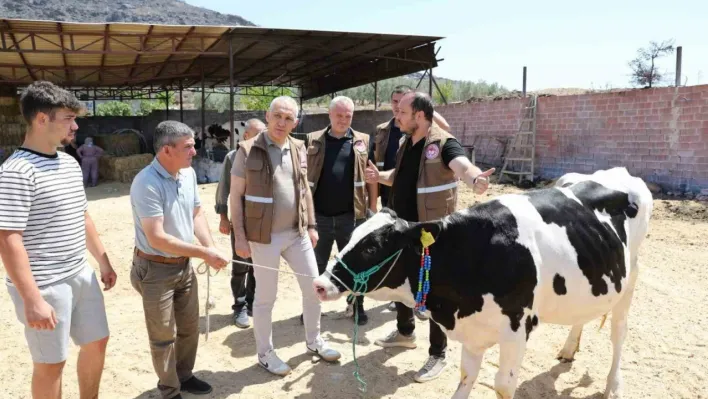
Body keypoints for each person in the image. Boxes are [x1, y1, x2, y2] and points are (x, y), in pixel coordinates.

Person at [365, 91, 494, 383]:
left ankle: (438, 353)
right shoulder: (404, 142)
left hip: (431, 234)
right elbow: (402, 175)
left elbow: (461, 164)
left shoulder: (444, 143)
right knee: (401, 282)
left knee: (433, 292)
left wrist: (475, 179)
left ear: (419, 116)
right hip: (403, 228)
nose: (396, 115)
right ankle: (405, 332)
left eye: (402, 112)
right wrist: (381, 177)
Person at [0, 81, 117, 399]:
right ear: (41, 119)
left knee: (97, 341)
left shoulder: (67, 162)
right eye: (68, 118)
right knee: (52, 364)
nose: (75, 125)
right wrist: (33, 299)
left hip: (80, 273)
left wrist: (102, 260)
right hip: (46, 283)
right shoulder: (16, 172)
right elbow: (9, 239)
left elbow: (82, 215)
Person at [230, 96, 341, 377]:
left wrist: (312, 226)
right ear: (267, 116)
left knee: (315, 289)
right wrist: (239, 238)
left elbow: (305, 191)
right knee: (266, 297)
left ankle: (314, 341)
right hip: (262, 236)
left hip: (296, 234)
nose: (282, 122)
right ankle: (265, 354)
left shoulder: (298, 148)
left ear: (296, 122)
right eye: (278, 116)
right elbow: (235, 197)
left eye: (289, 118)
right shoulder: (247, 150)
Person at [129, 120, 229, 399]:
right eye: (188, 147)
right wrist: (204, 253)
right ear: (166, 150)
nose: (194, 152)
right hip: (155, 269)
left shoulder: (187, 175)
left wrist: (210, 246)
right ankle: (170, 390)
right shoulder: (145, 183)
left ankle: (183, 377)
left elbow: (196, 213)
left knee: (188, 328)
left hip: (182, 264)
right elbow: (157, 238)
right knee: (162, 336)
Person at [374, 85, 451, 315]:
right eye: (395, 104)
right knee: (401, 268)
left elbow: (455, 154)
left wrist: (474, 176)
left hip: (425, 214)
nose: (397, 109)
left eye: (403, 105)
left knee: (429, 268)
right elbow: (395, 171)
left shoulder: (434, 139)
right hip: (395, 205)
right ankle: (405, 326)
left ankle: (435, 341)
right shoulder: (389, 134)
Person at [305, 96, 377, 325]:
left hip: (351, 217)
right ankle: (312, 308)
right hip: (319, 218)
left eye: (348, 116)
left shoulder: (362, 141)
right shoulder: (313, 140)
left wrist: (373, 207)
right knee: (316, 265)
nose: (343, 120)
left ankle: (357, 306)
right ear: (329, 114)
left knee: (354, 265)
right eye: (339, 115)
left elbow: (371, 176)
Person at [215, 118, 265, 328]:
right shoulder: (233, 157)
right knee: (241, 265)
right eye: (257, 134)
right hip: (241, 221)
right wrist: (224, 217)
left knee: (258, 266)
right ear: (246, 136)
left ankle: (253, 303)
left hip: (264, 222)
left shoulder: (269, 155)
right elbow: (223, 189)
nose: (262, 138)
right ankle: (239, 306)